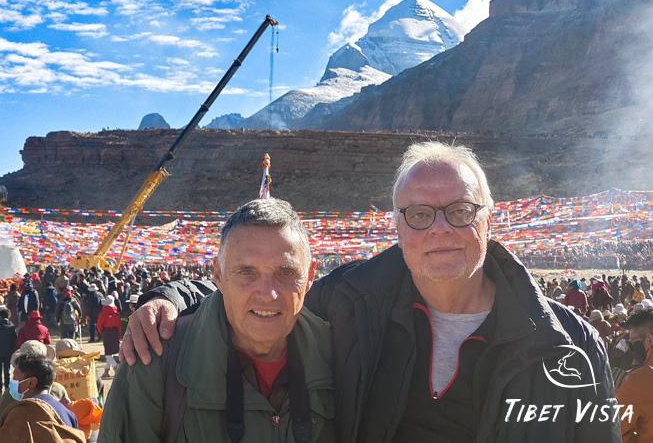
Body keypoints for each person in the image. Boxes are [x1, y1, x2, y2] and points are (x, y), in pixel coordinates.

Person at [122, 142, 621, 442]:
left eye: (461, 211)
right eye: (420, 215)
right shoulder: (351, 302)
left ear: (490, 218)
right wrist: (171, 296)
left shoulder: (566, 347)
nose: (441, 229)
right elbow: (261, 287)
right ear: (397, 227)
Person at [98, 198, 334, 443]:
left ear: (309, 277)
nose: (268, 294)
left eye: (285, 273)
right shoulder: (157, 357)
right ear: (218, 276)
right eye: (247, 272)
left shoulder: (341, 355)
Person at [0, 354, 85, 443]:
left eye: (15, 378)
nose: (13, 382)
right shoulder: (68, 413)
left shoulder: (19, 414)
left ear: (31, 383)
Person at [615, 309, 653, 442]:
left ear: (649, 340)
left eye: (633, 343)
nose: (632, 350)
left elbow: (615, 432)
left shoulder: (638, 381)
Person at [0, 308, 18, 398]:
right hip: (8, 352)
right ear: (9, 316)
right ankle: (7, 390)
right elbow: (14, 341)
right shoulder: (12, 326)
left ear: (0, 316)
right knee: (7, 371)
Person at [96, 295, 122, 378]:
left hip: (106, 332)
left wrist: (101, 332)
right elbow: (119, 325)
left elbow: (99, 324)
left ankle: (116, 368)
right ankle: (106, 372)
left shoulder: (104, 312)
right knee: (110, 353)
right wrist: (119, 334)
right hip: (115, 332)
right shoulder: (116, 312)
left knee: (108, 354)